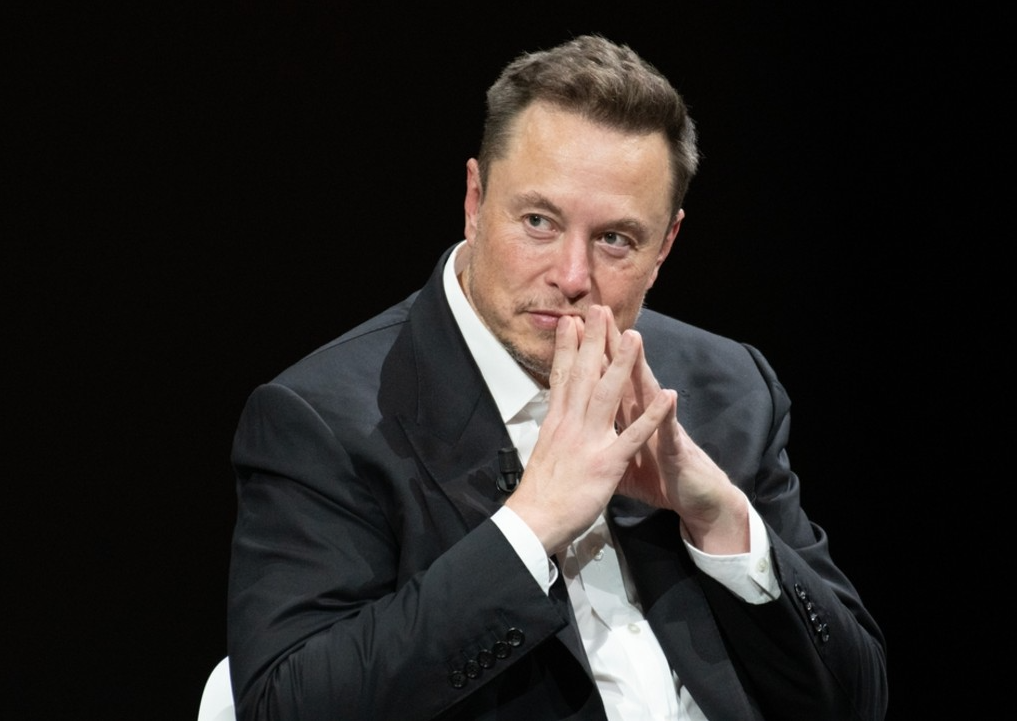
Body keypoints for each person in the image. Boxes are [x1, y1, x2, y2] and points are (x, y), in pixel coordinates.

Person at [226, 34, 888, 721]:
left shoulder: (728, 387)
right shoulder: (325, 419)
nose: (572, 277)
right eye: (538, 221)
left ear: (665, 244)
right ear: (475, 200)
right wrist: (530, 523)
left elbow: (857, 698)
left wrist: (720, 519)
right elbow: (283, 704)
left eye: (614, 239)